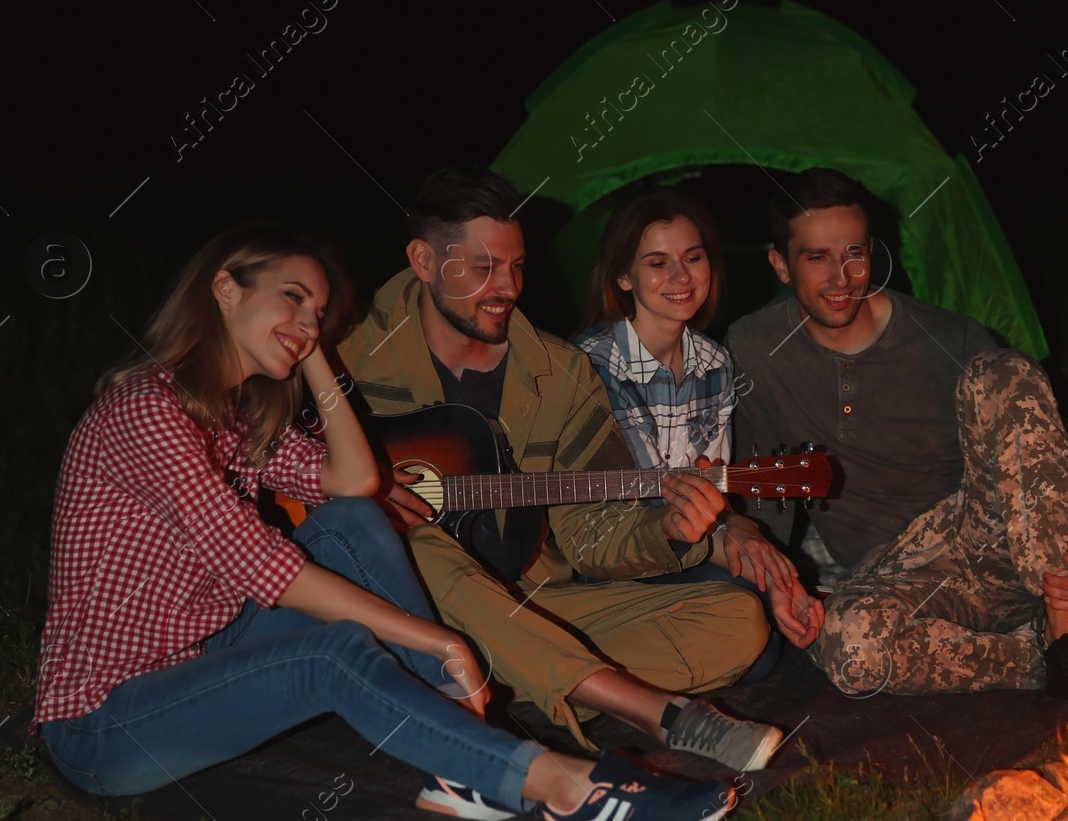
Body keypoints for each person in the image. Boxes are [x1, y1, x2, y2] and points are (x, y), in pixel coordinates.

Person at [33, 223, 735, 821]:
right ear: (224, 287)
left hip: (208, 646)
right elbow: (266, 569)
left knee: (357, 521)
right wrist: (437, 642)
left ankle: (464, 765)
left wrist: (313, 360)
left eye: (319, 314)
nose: (307, 323)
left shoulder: (234, 417)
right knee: (332, 652)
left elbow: (354, 478)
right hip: (107, 719)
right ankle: (567, 793)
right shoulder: (146, 412)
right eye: (293, 299)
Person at [335, 168, 785, 772]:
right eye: (483, 267)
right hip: (386, 603)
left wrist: (670, 533)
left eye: (517, 266)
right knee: (415, 541)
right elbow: (254, 441)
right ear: (423, 260)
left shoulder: (560, 373)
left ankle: (498, 680)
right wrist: (357, 486)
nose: (507, 288)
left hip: (524, 600)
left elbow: (592, 536)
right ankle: (659, 713)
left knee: (738, 621)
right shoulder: (346, 343)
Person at [727, 169, 1068, 699]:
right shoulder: (755, 347)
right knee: (849, 645)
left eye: (855, 254)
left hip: (996, 539)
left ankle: (1067, 618)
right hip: (896, 576)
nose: (842, 278)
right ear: (780, 264)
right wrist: (778, 582)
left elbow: (1062, 447)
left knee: (1003, 370)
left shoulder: (946, 337)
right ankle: (1042, 658)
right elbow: (765, 485)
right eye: (817, 258)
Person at [573, 188, 824, 679]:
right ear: (623, 276)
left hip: (689, 541)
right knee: (750, 635)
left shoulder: (714, 363)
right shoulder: (593, 364)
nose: (681, 277)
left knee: (764, 634)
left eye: (693, 257)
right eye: (657, 263)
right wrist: (743, 544)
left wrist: (768, 568)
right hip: (612, 555)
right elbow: (649, 505)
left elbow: (707, 488)